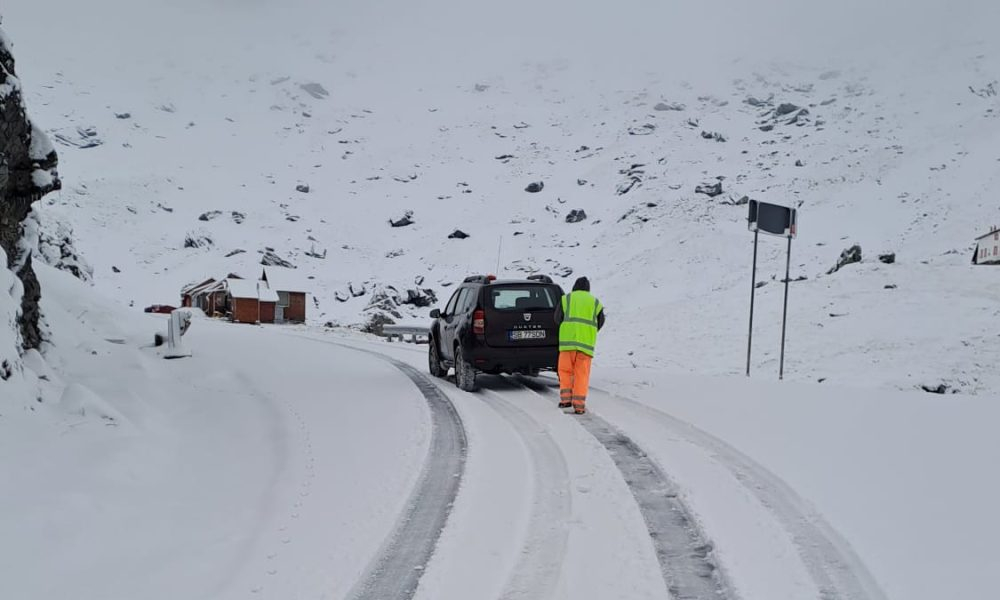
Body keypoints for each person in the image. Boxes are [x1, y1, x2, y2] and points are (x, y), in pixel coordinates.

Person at [554, 276, 605, 414]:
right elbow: (600, 322)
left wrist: (568, 328)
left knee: (565, 371)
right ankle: (579, 405)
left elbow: (557, 318)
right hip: (585, 345)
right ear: (588, 288)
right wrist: (589, 331)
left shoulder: (567, 299)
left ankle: (565, 401)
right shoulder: (595, 302)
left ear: (574, 286)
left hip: (567, 344)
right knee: (581, 374)